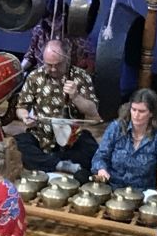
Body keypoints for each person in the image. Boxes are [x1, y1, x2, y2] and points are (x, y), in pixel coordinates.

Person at [14, 40, 100, 178]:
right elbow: (21, 107)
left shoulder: (81, 76)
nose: (53, 69)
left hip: (72, 140)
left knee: (92, 150)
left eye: (58, 65)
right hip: (41, 138)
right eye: (49, 65)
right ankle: (60, 165)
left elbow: (93, 113)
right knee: (18, 144)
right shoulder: (35, 76)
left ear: (67, 59)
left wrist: (76, 97)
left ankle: (50, 163)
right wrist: (25, 117)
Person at [91, 89, 157, 190]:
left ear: (151, 113)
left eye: (141, 111)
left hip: (142, 194)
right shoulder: (116, 128)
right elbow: (99, 157)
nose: (136, 115)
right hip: (113, 190)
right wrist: (101, 169)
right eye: (133, 109)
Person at [20, 0, 95, 73]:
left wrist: (82, 76)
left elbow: (90, 58)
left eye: (57, 19)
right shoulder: (39, 31)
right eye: (50, 20)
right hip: (43, 75)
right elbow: (30, 55)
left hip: (69, 76)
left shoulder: (77, 34)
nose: (53, 24)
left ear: (65, 16)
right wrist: (20, 70)